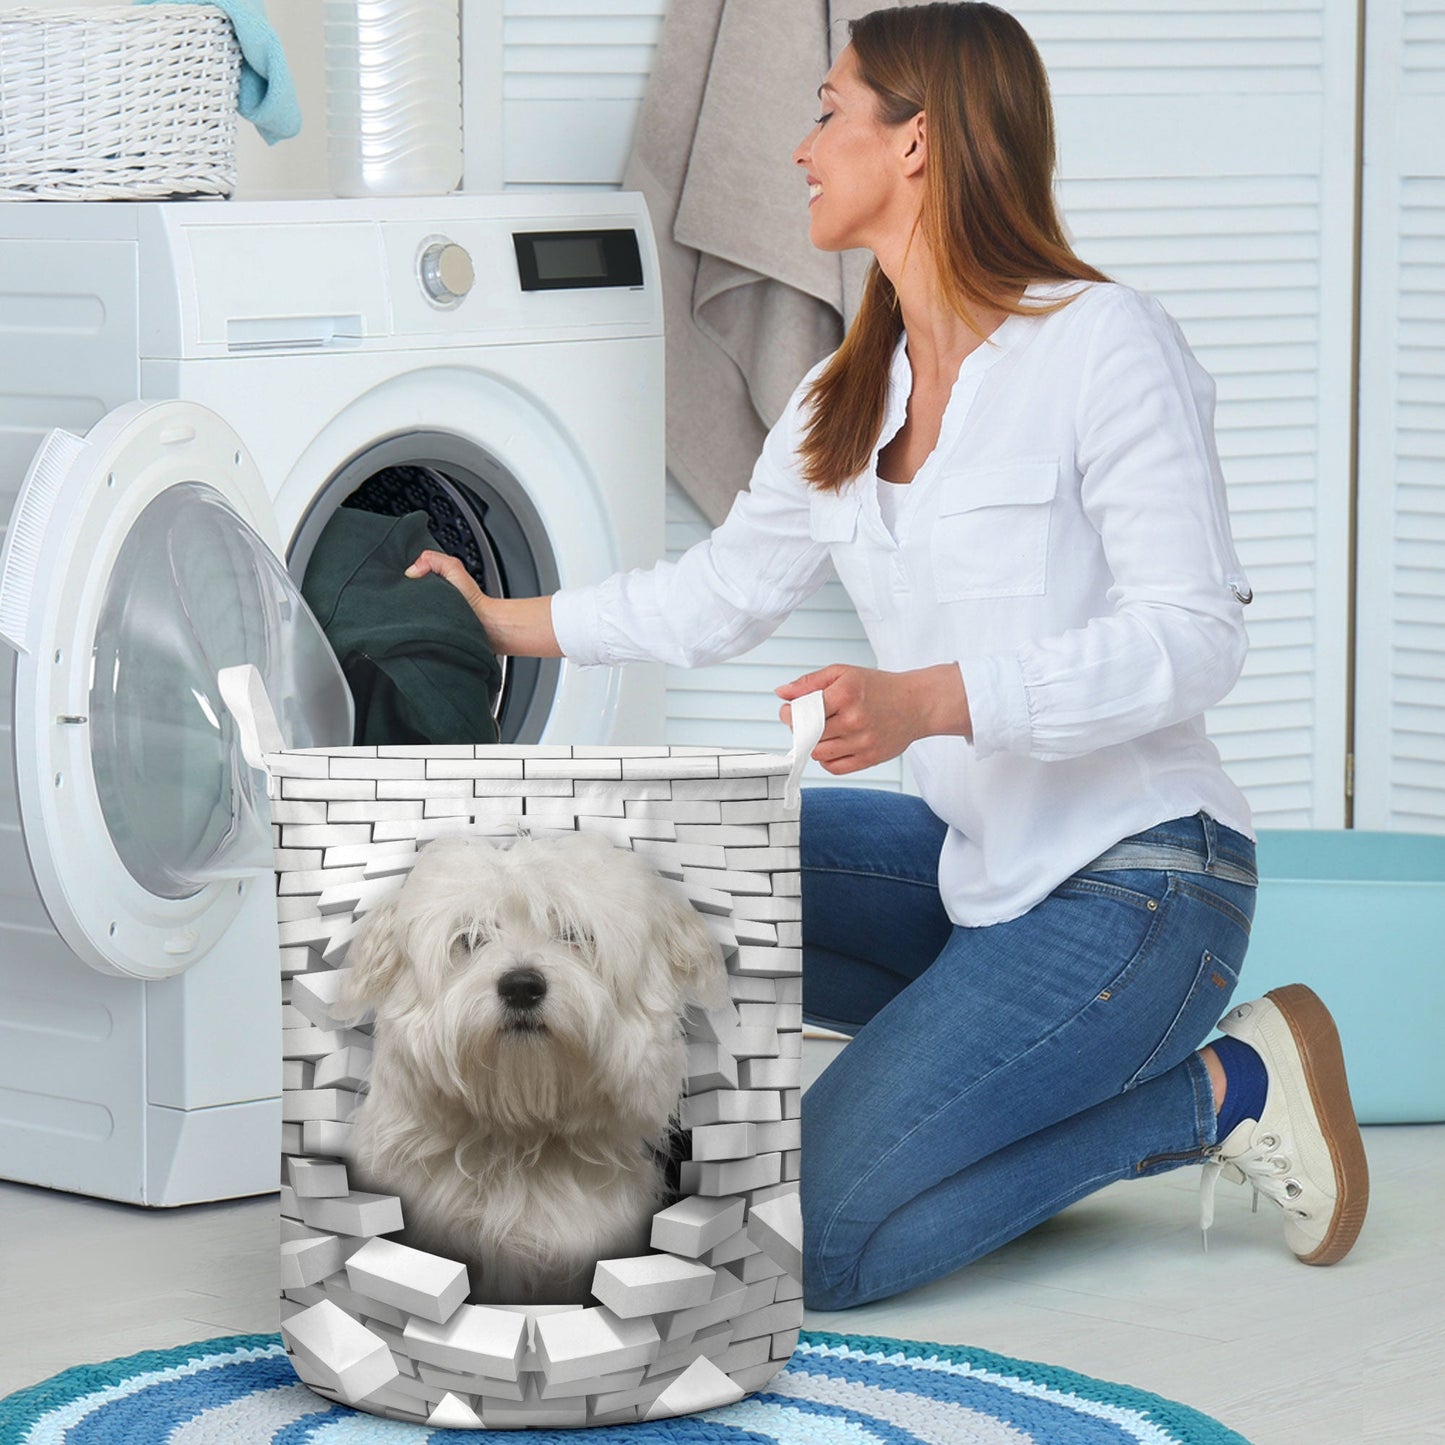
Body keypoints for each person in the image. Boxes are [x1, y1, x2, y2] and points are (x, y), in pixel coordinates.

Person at [406, 1, 1368, 1311]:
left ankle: (1222, 1091)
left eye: (826, 113)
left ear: (915, 142)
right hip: (979, 875)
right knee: (661, 873)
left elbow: (1194, 640)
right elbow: (716, 596)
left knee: (821, 1240)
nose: (798, 148)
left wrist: (933, 701)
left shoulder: (1100, 342)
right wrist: (506, 616)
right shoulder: (842, 396)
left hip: (1143, 886)